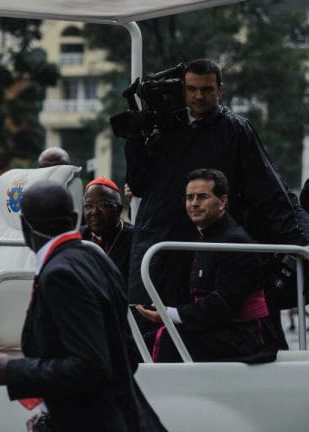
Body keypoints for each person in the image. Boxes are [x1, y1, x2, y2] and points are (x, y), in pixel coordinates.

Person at [124, 58, 309, 314]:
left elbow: (270, 193)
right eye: (192, 89)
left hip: (211, 249)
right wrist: (133, 140)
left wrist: (301, 240)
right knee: (149, 333)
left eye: (207, 89)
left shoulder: (235, 130)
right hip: (159, 247)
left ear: (220, 89)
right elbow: (139, 184)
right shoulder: (164, 131)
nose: (199, 96)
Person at [0, 181, 166, 432]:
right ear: (73, 218)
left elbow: (90, 366)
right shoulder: (96, 259)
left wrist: (13, 370)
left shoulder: (60, 274)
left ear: (25, 226)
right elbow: (127, 357)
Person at [136, 169, 279, 363]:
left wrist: (170, 314)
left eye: (202, 197)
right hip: (221, 329)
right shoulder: (208, 236)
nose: (194, 203)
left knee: (164, 340)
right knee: (137, 340)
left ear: (222, 202)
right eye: (190, 197)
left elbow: (223, 304)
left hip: (248, 337)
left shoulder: (234, 242)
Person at [80, 176, 134, 286]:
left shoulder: (134, 238)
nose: (94, 212)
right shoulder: (78, 237)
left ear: (118, 210)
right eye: (88, 206)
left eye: (103, 205)